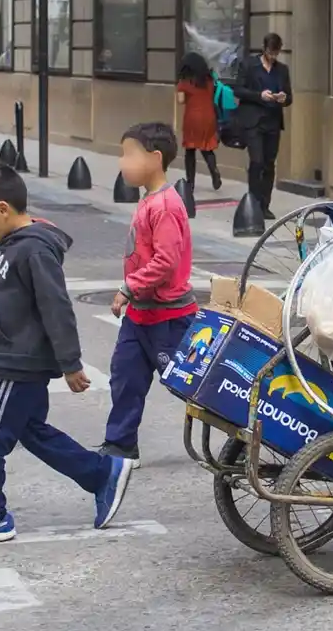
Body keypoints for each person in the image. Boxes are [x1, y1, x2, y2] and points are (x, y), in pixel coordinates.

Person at [0, 162, 133, 544]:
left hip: (15, 365)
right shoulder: (15, 246)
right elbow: (8, 273)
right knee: (33, 432)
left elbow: (55, 307)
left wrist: (71, 364)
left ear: (3, 210)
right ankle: (100, 474)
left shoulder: (34, 250)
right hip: (14, 360)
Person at [101, 122, 196, 466]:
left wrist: (128, 287)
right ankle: (120, 444)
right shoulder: (150, 201)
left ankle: (241, 434)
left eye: (129, 154)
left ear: (155, 158)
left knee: (192, 383)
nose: (122, 162)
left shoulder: (166, 206)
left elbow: (166, 262)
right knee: (125, 376)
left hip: (169, 317)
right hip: (141, 314)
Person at [231, 33, 291, 220]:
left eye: (276, 53)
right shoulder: (249, 65)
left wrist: (283, 98)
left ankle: (265, 205)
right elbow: (238, 89)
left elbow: (289, 97)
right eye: (270, 52)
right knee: (257, 161)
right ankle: (253, 202)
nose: (273, 56)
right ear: (264, 49)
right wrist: (259, 95)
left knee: (269, 163)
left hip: (272, 121)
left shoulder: (282, 70)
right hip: (253, 121)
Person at [175, 52, 223, 195]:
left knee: (190, 150)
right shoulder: (209, 81)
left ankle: (190, 183)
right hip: (209, 117)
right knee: (207, 147)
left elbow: (181, 100)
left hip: (193, 118)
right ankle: (214, 172)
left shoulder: (185, 82)